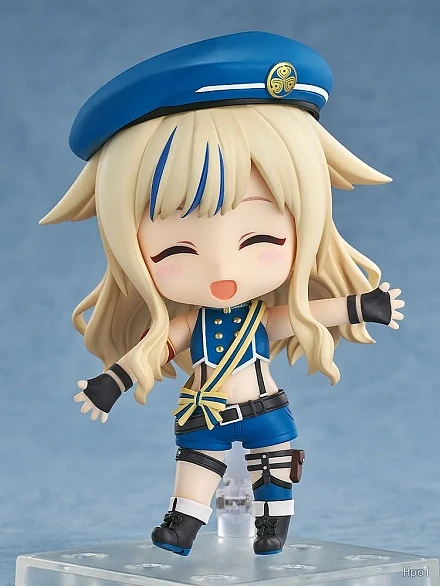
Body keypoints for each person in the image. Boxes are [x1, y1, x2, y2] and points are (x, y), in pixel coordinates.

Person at [40, 31, 404, 556]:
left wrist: (361, 306)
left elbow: (306, 314)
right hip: (202, 411)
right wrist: (112, 382)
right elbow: (153, 351)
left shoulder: (264, 317)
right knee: (194, 466)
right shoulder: (189, 326)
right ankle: (183, 524)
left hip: (262, 406)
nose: (222, 271)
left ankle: (272, 525)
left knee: (274, 465)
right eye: (175, 250)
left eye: (259, 239)